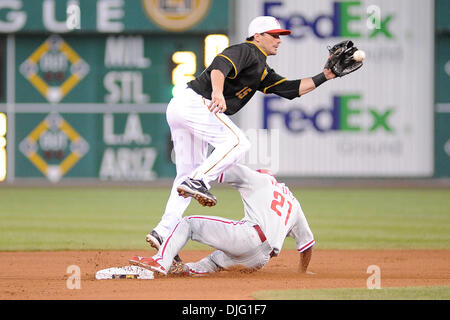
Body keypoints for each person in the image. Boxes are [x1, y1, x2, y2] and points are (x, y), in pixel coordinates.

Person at [146, 15, 343, 255]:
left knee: (185, 175)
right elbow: (220, 65)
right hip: (197, 103)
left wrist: (326, 76)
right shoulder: (247, 50)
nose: (279, 40)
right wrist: (217, 92)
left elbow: (290, 90)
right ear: (257, 36)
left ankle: (162, 231)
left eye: (280, 36)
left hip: (181, 108)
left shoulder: (261, 68)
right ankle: (199, 181)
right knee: (238, 142)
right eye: (274, 35)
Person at [130, 164, 315, 276]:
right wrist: (302, 272)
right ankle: (184, 270)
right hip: (260, 260)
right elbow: (307, 244)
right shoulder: (294, 203)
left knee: (189, 223)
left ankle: (161, 261)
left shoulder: (260, 179)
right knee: (213, 263)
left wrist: (204, 166)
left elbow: (222, 170)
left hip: (249, 237)